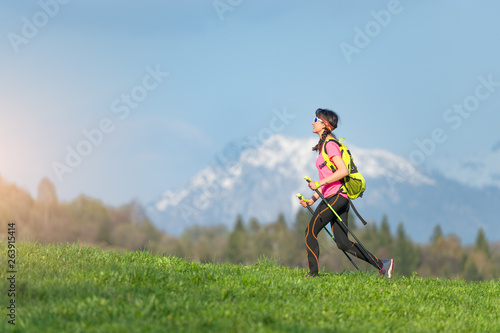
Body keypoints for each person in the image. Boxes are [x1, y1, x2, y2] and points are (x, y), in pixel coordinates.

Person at [300, 108, 394, 278]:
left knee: (310, 233)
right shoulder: (324, 146)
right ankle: (382, 265)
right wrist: (312, 200)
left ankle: (312, 275)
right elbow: (330, 178)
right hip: (336, 197)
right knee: (343, 243)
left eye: (316, 119)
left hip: (335, 198)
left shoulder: (330, 145)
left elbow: (342, 171)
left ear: (325, 124)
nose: (312, 122)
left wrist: (318, 183)